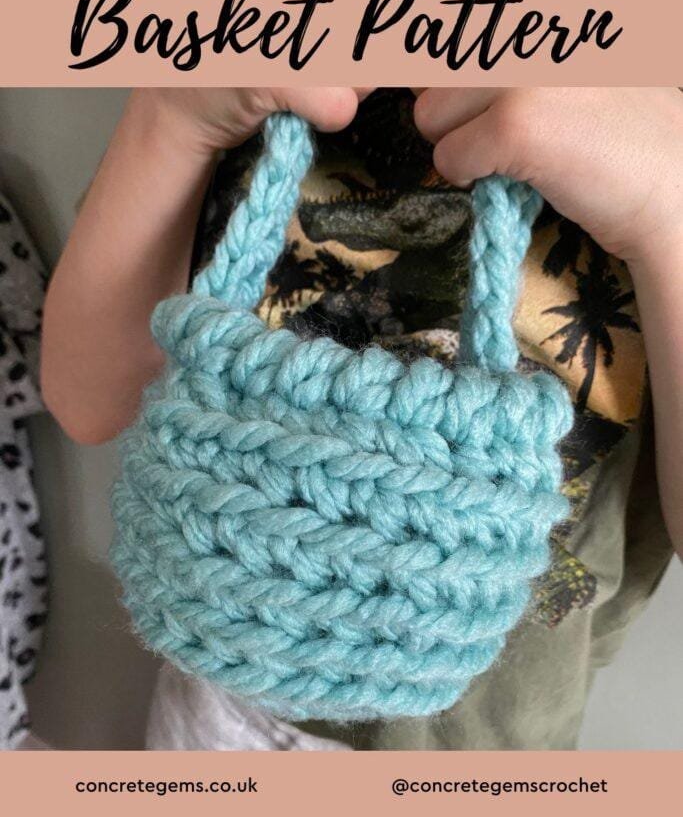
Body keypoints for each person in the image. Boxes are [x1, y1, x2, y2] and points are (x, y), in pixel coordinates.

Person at [41, 86, 682, 749]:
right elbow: (86, 402)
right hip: (219, 691)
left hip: (475, 751)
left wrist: (666, 207)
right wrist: (170, 117)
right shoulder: (250, 41)